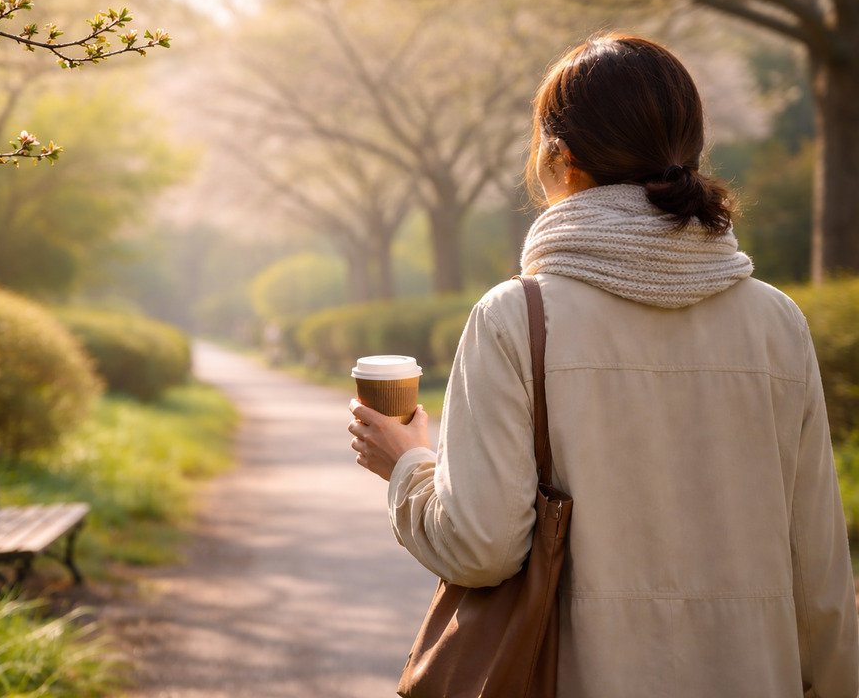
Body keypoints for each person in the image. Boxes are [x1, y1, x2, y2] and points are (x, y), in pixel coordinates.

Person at [347, 34, 859, 696]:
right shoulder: (777, 322)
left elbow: (481, 547)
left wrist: (408, 466)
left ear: (558, 157)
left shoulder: (515, 318)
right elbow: (821, 576)